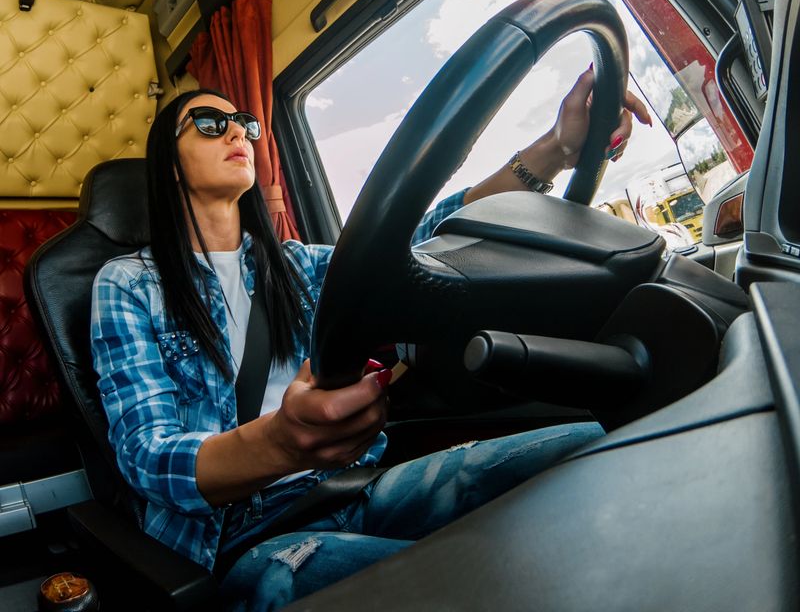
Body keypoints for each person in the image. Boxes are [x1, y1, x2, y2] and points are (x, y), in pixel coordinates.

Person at [91, 65, 651, 610]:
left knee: (601, 449)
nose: (237, 130)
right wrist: (279, 444)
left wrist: (556, 147)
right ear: (168, 164)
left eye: (243, 122)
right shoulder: (128, 284)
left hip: (352, 486)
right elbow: (146, 456)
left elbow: (427, 238)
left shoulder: (297, 265)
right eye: (210, 125)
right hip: (240, 536)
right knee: (476, 579)